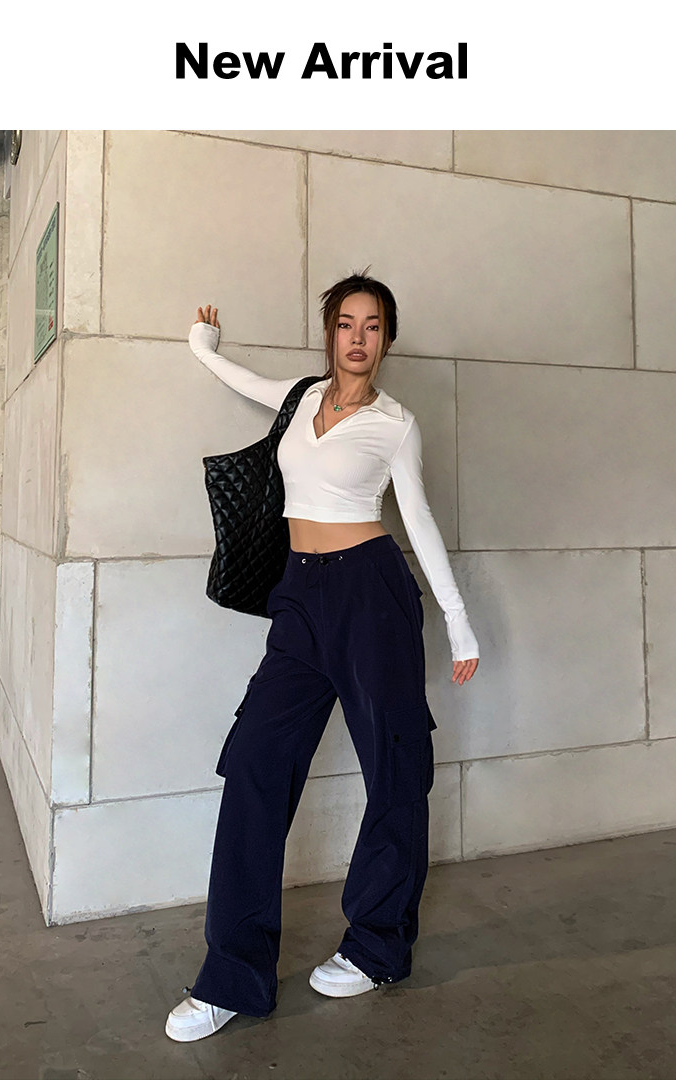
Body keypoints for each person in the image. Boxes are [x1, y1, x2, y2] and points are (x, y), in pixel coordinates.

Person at [165, 271, 479, 1042]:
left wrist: (458, 621)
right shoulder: (301, 397)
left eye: (373, 326)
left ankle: (377, 947)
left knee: (395, 769)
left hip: (372, 596)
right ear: (330, 332)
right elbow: (247, 383)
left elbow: (419, 520)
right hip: (299, 598)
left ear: (387, 339)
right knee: (254, 763)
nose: (358, 338)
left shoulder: (396, 425)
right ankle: (231, 974)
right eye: (346, 323)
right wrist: (205, 348)